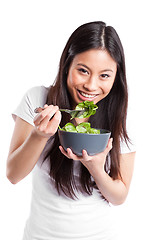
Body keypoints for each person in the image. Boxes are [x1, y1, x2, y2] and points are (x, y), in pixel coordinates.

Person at [6, 21, 136, 240]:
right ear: (67, 65)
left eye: (104, 75)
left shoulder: (121, 116)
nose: (91, 86)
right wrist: (40, 135)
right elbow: (13, 175)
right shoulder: (38, 99)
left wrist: (96, 168)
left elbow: (119, 196)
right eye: (83, 71)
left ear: (116, 77)